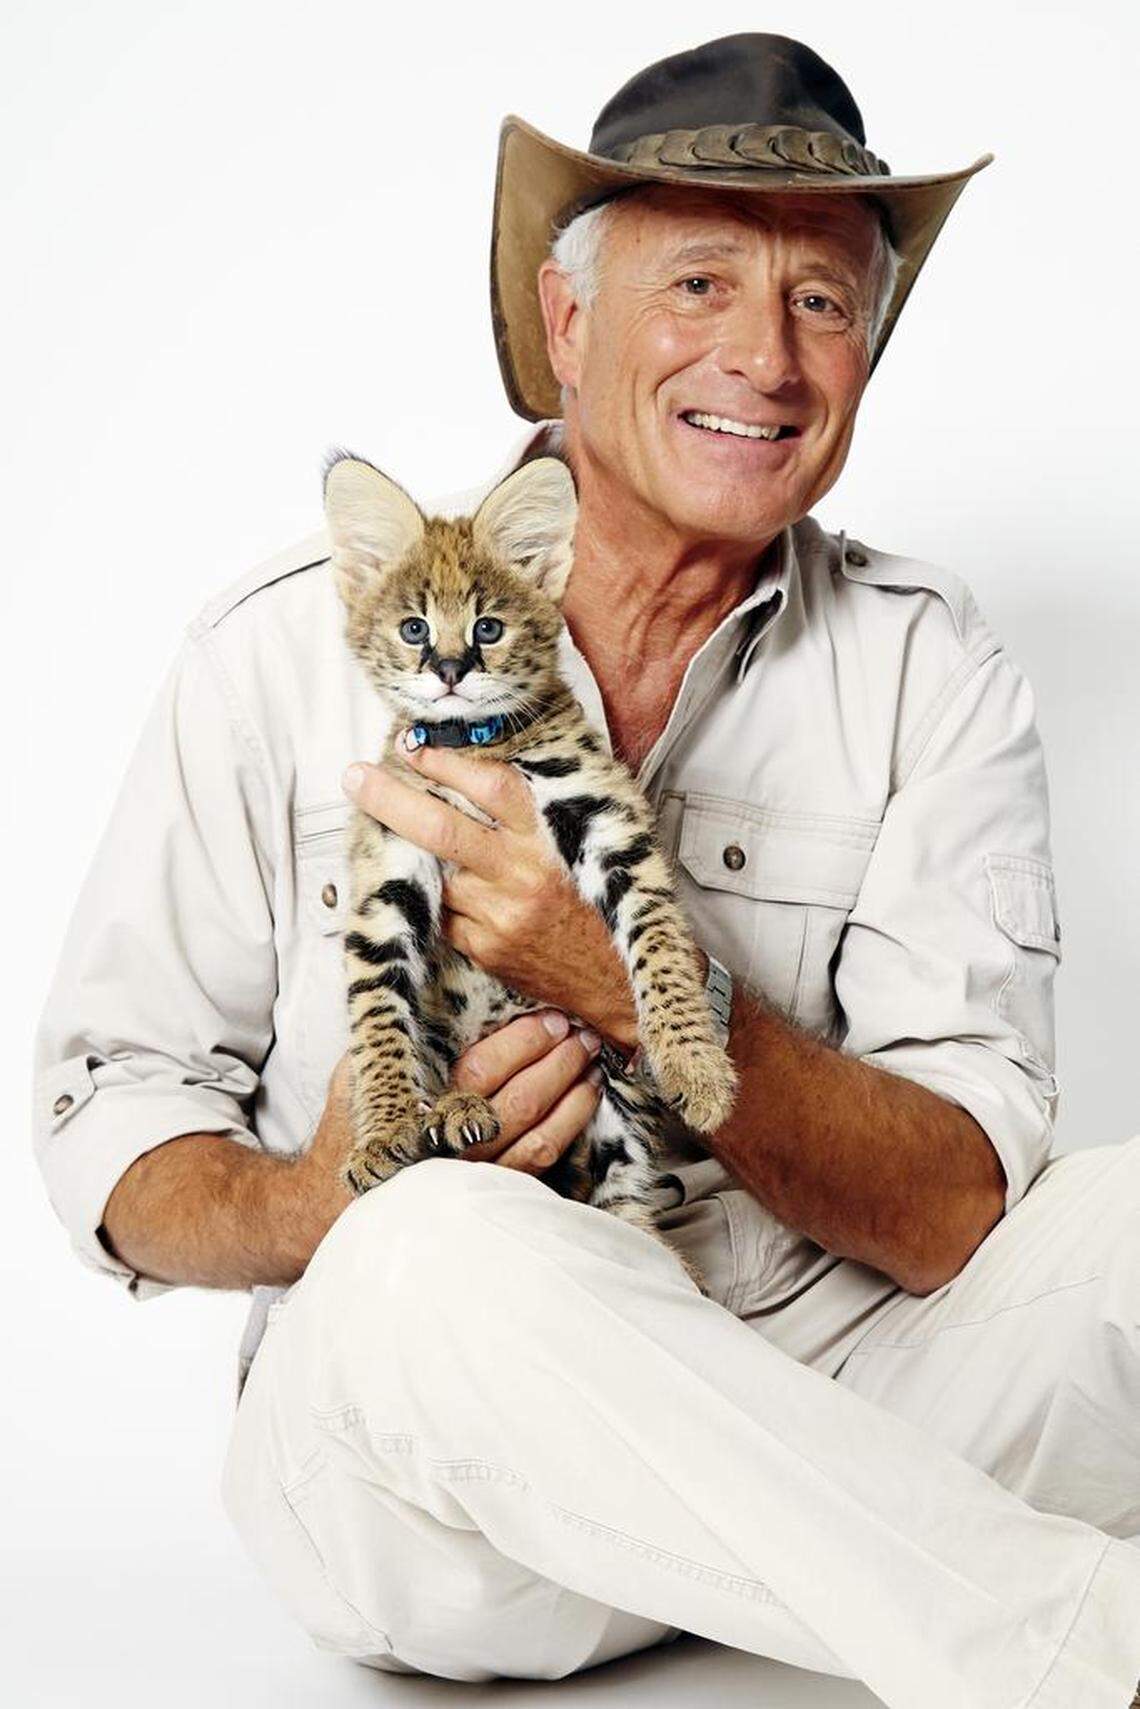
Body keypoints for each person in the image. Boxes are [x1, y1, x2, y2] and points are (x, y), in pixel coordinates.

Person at [32, 32, 1140, 1709]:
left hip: (829, 1386)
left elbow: (957, 1206)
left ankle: (820, 1571)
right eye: (699, 281)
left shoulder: (933, 668)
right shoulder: (281, 648)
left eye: (825, 303)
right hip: (447, 1487)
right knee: (432, 1249)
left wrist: (638, 986)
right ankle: (1070, 1647)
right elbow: (102, 1114)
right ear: (568, 326)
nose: (764, 358)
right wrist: (310, 1198)